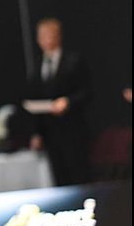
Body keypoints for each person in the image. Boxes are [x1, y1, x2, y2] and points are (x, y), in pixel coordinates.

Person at [25, 17, 93, 186]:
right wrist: (37, 133)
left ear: (58, 36)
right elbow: (36, 97)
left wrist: (68, 102)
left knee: (79, 175)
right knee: (59, 177)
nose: (46, 40)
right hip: (51, 133)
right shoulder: (38, 66)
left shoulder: (73, 61)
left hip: (73, 130)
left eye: (50, 35)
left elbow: (88, 91)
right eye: (42, 36)